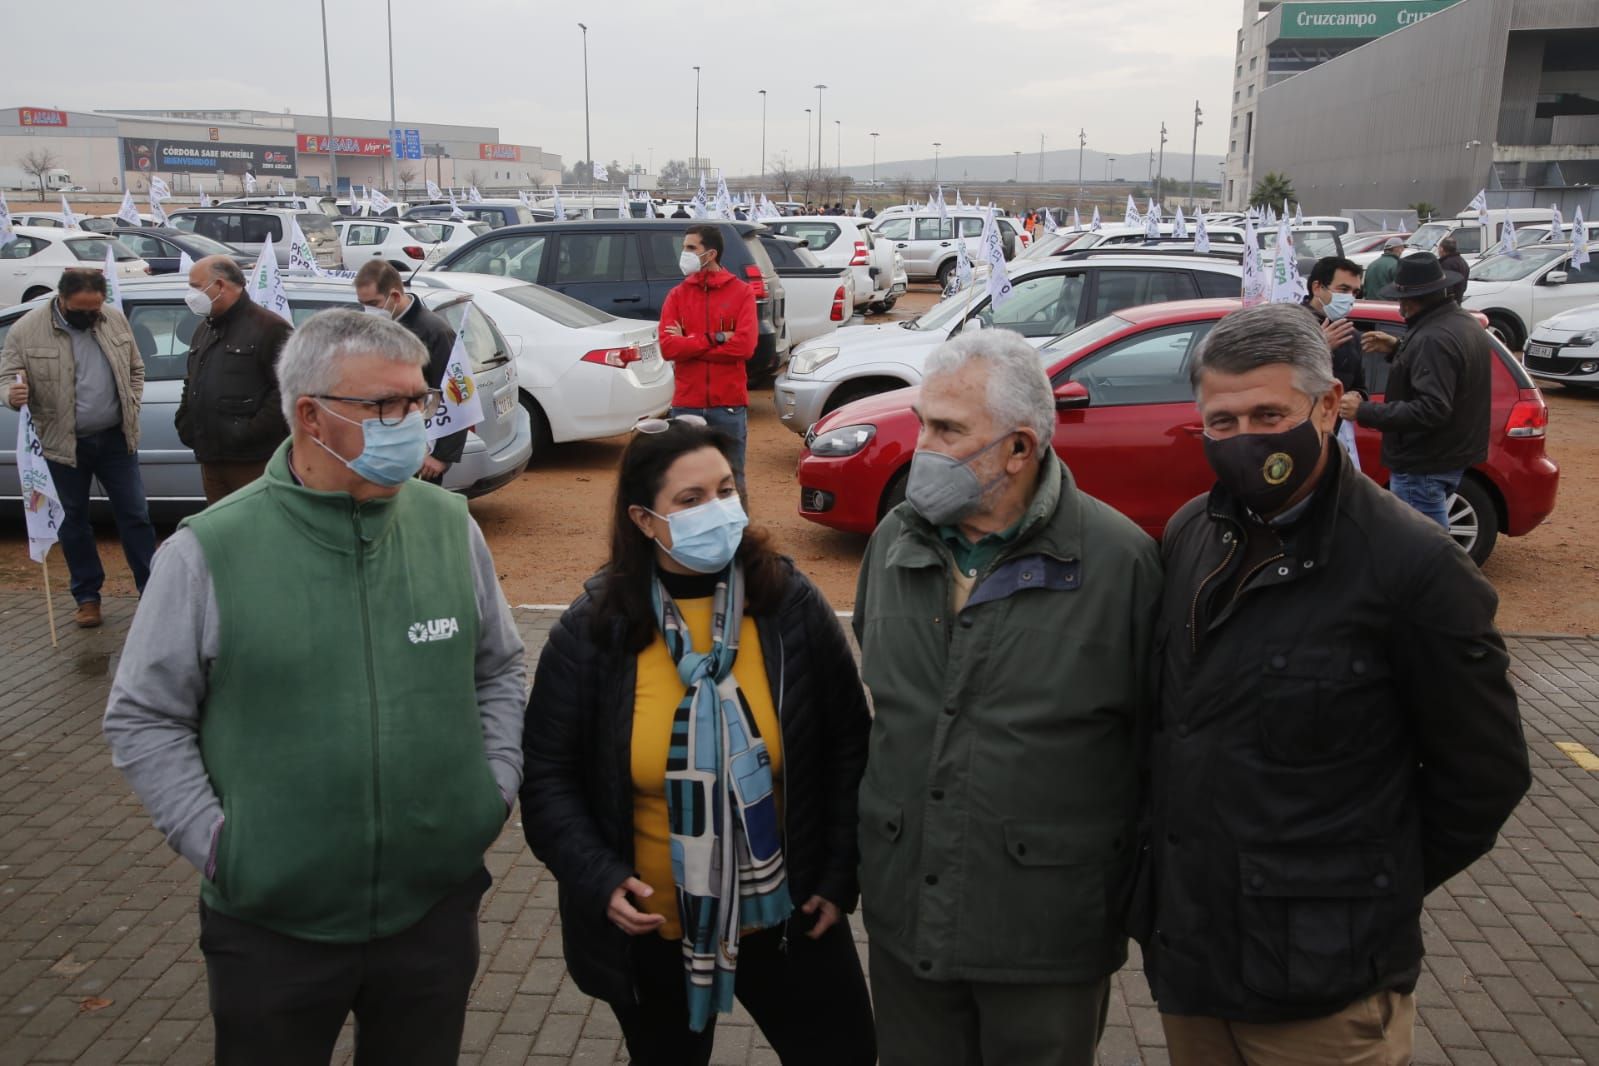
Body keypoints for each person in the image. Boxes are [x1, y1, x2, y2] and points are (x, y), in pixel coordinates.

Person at [103, 310, 527, 1066]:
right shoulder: (209, 551)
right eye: (385, 407)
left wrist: (489, 794)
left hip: (430, 911)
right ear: (310, 416)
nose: (412, 424)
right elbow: (143, 717)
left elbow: (496, 668)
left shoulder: (449, 527)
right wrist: (223, 847)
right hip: (270, 926)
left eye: (418, 402)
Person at [1135, 302, 1529, 1065]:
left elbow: (1483, 776)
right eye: (1221, 421)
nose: (1243, 438)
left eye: (1266, 413)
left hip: (1323, 994)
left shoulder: (1411, 567)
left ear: (1323, 407)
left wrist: (1354, 892)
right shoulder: (1191, 533)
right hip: (1193, 964)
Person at [521, 417, 876, 1065]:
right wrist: (598, 878)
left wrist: (837, 871)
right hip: (656, 932)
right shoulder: (593, 631)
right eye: (689, 501)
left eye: (723, 489)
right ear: (644, 520)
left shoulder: (787, 603)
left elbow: (849, 744)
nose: (716, 510)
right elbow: (547, 776)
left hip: (790, 919)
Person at [853, 331, 1161, 1066]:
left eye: (948, 430)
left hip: (1043, 936)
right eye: (923, 421)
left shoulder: (1117, 562)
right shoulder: (894, 541)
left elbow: (1157, 748)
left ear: (1019, 449)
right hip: (906, 921)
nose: (920, 446)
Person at [1, 269, 155, 628]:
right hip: (62, 444)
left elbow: (136, 367)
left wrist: (132, 400)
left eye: (95, 308)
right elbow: (7, 376)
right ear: (63, 300)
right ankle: (87, 597)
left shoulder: (113, 318)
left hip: (117, 439)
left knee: (135, 515)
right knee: (73, 522)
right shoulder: (27, 329)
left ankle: (151, 592)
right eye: (81, 310)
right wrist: (11, 395)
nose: (90, 316)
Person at [1339, 253, 1492, 528]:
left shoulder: (1431, 338)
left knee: (1422, 547)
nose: (1399, 307)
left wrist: (1364, 410)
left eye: (1400, 300)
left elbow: (1431, 409)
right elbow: (1448, 370)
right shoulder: (1462, 322)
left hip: (1423, 461)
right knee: (1429, 542)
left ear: (1410, 300)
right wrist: (1399, 348)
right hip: (1447, 455)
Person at [175, 255, 293, 504]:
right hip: (211, 458)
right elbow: (193, 380)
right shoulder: (204, 329)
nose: (191, 294)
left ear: (220, 286)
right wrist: (185, 422)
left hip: (252, 462)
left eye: (196, 286)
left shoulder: (269, 328)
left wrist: (247, 432)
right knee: (221, 535)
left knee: (254, 532)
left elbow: (286, 390)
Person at [658, 224, 757, 495]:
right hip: (686, 404)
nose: (684, 253)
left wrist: (689, 341)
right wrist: (717, 337)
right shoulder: (677, 295)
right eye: (684, 248)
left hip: (728, 404)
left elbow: (744, 347)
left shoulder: (741, 292)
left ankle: (736, 534)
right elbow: (668, 347)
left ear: (710, 254)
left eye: (691, 248)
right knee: (686, 481)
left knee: (732, 478)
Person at [354, 261, 466, 482]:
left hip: (420, 453)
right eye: (362, 304)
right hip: (380, 446)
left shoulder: (435, 332)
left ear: (395, 296)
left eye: (373, 303)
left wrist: (442, 456)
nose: (368, 311)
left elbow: (457, 395)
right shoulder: (370, 328)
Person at [1302, 256, 1367, 399]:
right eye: (1343, 290)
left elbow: (1360, 386)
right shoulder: (1289, 324)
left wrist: (1357, 395)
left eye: (1355, 292)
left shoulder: (1350, 335)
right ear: (1317, 288)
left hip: (1334, 419)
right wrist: (1319, 349)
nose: (1350, 298)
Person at [1436, 236, 1471, 303]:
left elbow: (1445, 287)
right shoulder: (1462, 261)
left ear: (1441, 249)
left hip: (1447, 304)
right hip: (1457, 301)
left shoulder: (1446, 264)